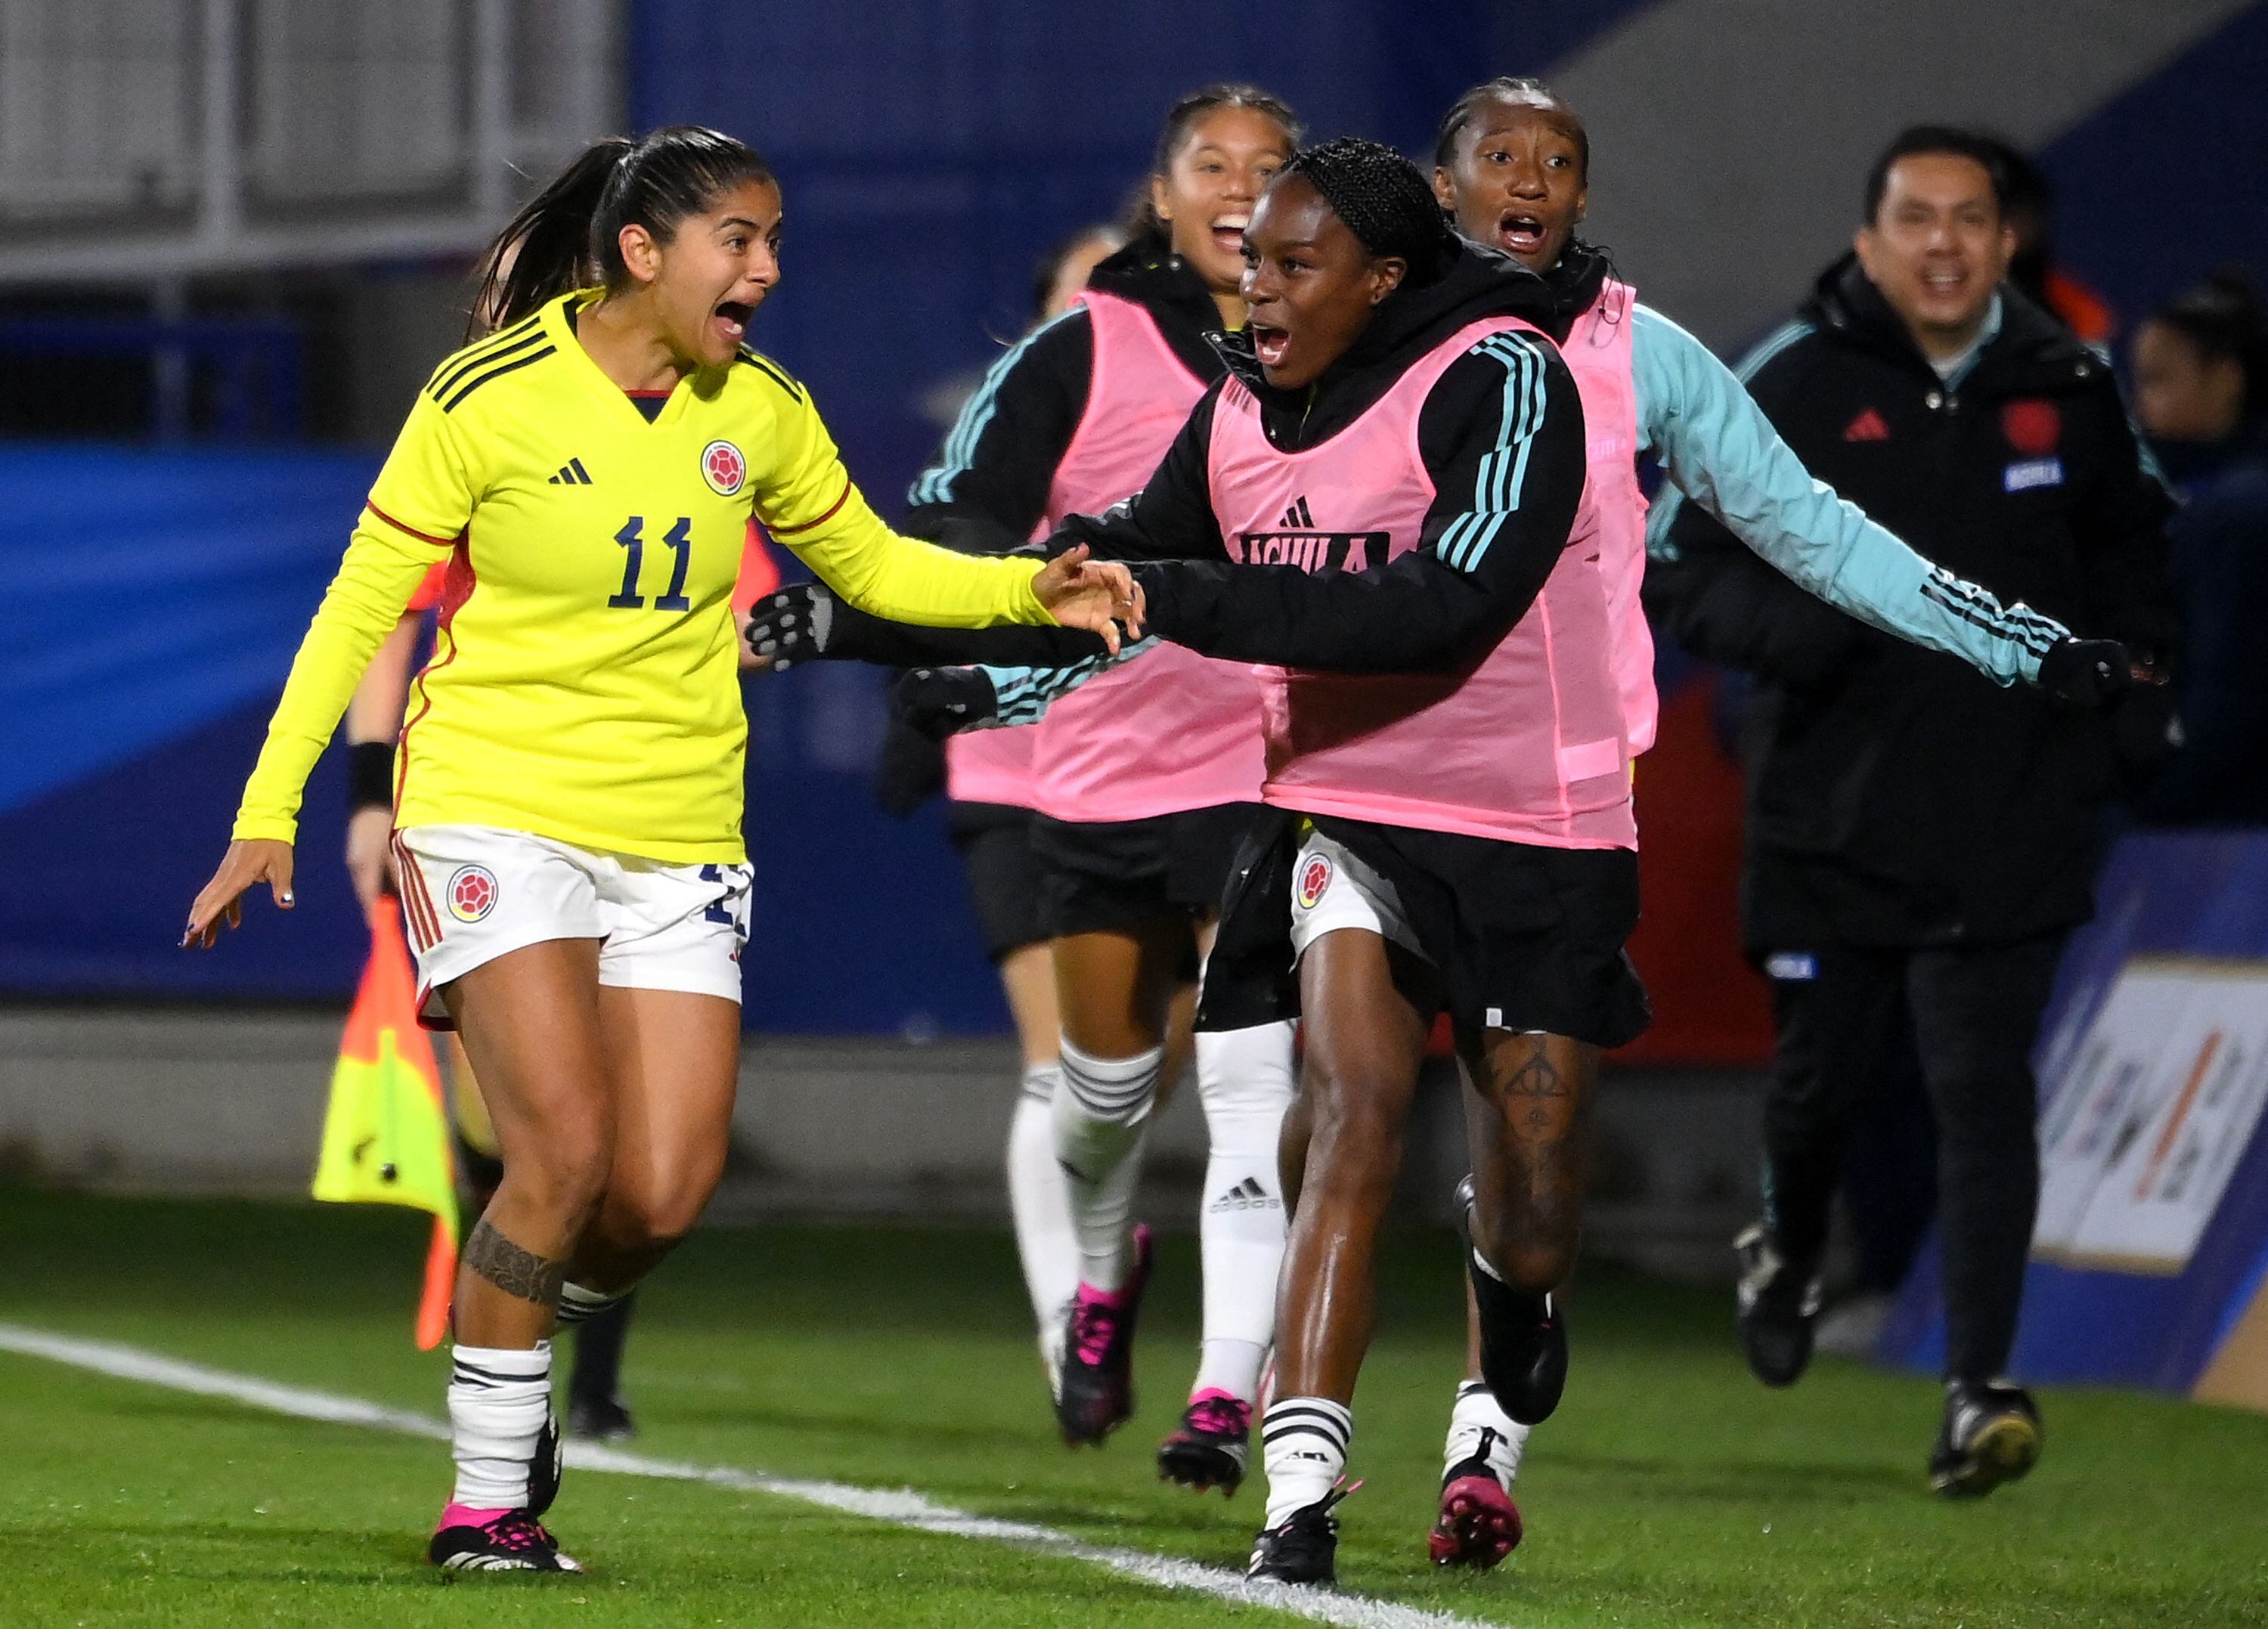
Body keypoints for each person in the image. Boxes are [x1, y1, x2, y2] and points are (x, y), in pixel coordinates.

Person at [183, 125, 1139, 1575]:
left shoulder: (756, 408)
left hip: (680, 827)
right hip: (493, 800)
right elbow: (357, 604)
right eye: (739, 241)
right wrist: (272, 810)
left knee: (661, 1194)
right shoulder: (484, 398)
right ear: (644, 252)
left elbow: (874, 564)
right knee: (559, 1154)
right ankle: (489, 1502)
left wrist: (1027, 592)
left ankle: (523, 1334)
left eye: (771, 239)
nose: (767, 266)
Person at [764, 136, 1619, 1584]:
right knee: (1346, 1112)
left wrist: (1180, 595)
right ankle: (1299, 1489)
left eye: (1296, 266)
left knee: (1528, 1197)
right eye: (1252, 259)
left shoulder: (1502, 377)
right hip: (1339, 808)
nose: (1258, 287)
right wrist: (858, 630)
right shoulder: (1238, 406)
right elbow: (1097, 571)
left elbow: (1440, 612)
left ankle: (1514, 1296)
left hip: (1529, 819)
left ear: (1386, 277)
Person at [1414, 77, 2132, 1564]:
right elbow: (1254, 501)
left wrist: (2028, 646)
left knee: (1551, 1172)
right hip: (1381, 787)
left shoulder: (1649, 356)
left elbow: (1813, 531)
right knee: (1342, 1111)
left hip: (1566, 803)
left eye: (1560, 160)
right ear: (1443, 188)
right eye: (1500, 158)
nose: (1529, 181)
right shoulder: (1361, 333)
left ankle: (1540, 1319)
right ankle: (1284, 1455)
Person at [1646, 125, 2175, 1497]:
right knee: (1820, 1089)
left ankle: (1979, 1387)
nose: (1943, 244)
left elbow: (2140, 569)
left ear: (2007, 245)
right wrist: (1796, 639)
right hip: (1832, 814)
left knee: (1982, 1096)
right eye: (1916, 219)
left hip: (2010, 817)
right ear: (1871, 241)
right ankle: (1788, 1240)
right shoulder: (1794, 380)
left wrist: (2128, 720)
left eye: (1970, 219)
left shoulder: (2071, 382)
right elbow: (1673, 567)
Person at [897, 85, 1305, 1486]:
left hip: (1267, 769)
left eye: (1270, 167)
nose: (1241, 188)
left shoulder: (1346, 352)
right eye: (1213, 164)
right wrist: (1036, 586)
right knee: (1105, 1091)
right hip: (1096, 769)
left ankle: (1222, 1397)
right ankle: (1094, 1275)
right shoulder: (1089, 344)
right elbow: (953, 504)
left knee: (1258, 1088)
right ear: (1165, 189)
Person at [2130, 268, 2268, 823]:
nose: (2141, 405)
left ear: (2226, 379)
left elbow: (2225, 701)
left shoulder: (2236, 514)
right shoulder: (2202, 505)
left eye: (2160, 379)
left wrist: (2139, 805)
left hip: (2222, 842)